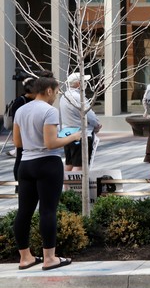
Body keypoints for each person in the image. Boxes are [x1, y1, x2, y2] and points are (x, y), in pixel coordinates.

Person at [13, 76, 82, 271]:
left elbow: (18, 143)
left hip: (25, 164)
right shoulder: (49, 111)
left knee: (24, 211)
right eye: (57, 92)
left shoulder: (21, 110)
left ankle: (25, 257)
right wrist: (73, 136)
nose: (57, 96)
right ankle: (49, 258)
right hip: (47, 163)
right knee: (48, 210)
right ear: (49, 91)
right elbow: (50, 143)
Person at [59, 72, 102, 171]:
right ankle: (76, 186)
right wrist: (97, 124)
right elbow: (89, 115)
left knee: (69, 163)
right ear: (78, 83)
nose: (86, 83)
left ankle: (68, 186)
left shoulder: (64, 96)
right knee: (79, 165)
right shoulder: (79, 97)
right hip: (80, 134)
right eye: (84, 81)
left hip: (66, 132)